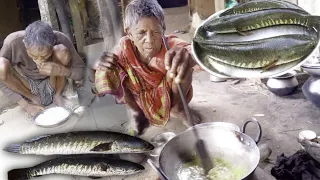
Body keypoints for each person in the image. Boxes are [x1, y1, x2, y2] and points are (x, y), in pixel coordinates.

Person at [94, 0, 201, 135]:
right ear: (129, 33)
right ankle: (137, 113)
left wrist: (189, 55)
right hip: (139, 99)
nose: (149, 40)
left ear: (163, 29)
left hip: (170, 95)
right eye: (142, 32)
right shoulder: (124, 48)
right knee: (107, 69)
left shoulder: (170, 45)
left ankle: (178, 109)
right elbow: (102, 69)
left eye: (156, 32)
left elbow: (195, 53)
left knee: (182, 62)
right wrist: (101, 64)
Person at [0, 21, 85, 117]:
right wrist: (26, 105)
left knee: (61, 51)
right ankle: (33, 98)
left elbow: (80, 72)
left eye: (45, 56)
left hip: (54, 80)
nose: (39, 61)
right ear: (24, 43)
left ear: (52, 44)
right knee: (1, 65)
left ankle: (58, 95)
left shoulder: (60, 38)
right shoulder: (13, 41)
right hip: (28, 84)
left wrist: (61, 70)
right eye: (33, 56)